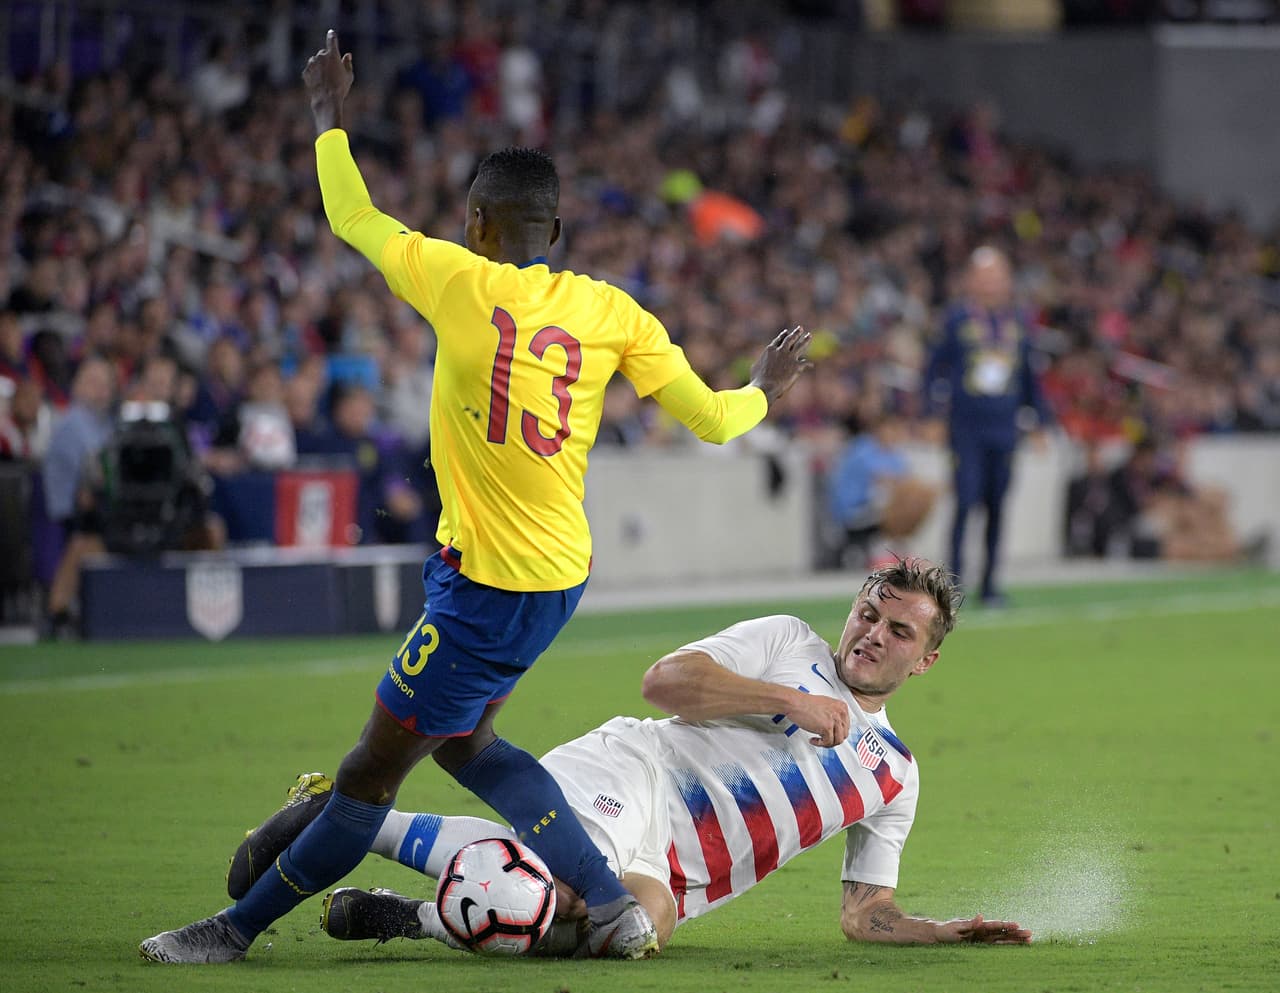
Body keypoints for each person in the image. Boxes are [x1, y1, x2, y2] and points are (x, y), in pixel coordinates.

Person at [139, 30, 811, 966]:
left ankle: (235, 929)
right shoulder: (614, 311)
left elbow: (352, 215)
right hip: (558, 577)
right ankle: (613, 904)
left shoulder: (456, 277)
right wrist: (765, 388)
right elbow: (711, 420)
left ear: (477, 221)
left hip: (485, 590)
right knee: (465, 744)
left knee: (368, 775)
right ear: (557, 233)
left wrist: (327, 114)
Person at [295, 558, 1031, 955]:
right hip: (633, 771)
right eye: (868, 613)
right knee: (566, 888)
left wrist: (940, 931)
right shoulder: (788, 643)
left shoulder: (895, 775)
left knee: (631, 930)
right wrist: (795, 701)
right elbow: (664, 682)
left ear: (926, 660)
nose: (872, 633)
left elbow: (864, 912)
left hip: (672, 874)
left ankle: (413, 917)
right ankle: (352, 812)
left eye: (899, 630)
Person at [922, 246, 1051, 604]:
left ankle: (991, 583)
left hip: (1005, 427)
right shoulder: (957, 319)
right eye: (985, 277)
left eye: (997, 277)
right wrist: (931, 413)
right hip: (965, 428)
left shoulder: (1019, 321)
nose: (992, 284)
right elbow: (934, 368)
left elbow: (1029, 376)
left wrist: (1040, 421)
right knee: (965, 502)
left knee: (997, 505)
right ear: (971, 281)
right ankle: (952, 585)